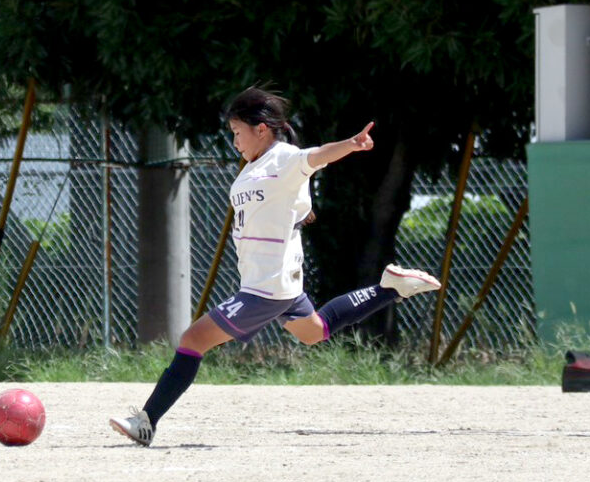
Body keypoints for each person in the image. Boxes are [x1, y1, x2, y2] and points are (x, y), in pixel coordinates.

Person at [109, 87, 440, 446]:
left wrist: (351, 143)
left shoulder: (284, 158)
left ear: (261, 129)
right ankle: (390, 288)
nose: (235, 141)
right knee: (314, 332)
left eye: (238, 132)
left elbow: (316, 158)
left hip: (265, 287)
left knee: (192, 341)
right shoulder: (255, 168)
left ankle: (146, 420)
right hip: (277, 281)